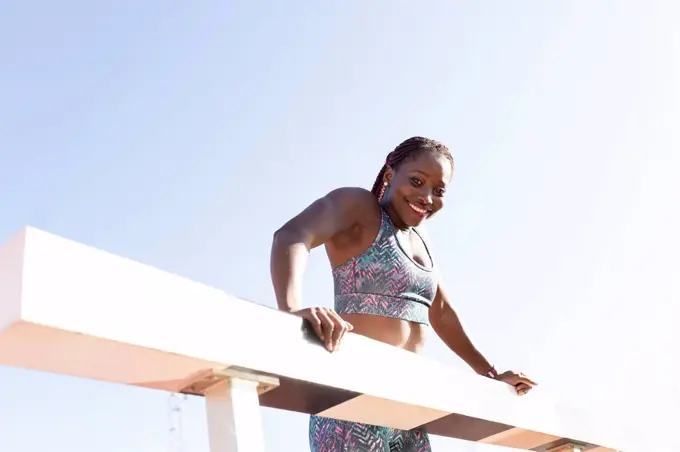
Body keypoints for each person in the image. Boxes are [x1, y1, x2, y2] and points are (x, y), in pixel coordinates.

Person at [270, 136, 537, 452]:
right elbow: (292, 236)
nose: (427, 197)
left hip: (408, 410)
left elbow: (441, 313)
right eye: (417, 181)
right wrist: (290, 312)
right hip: (352, 401)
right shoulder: (358, 207)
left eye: (439, 191)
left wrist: (490, 375)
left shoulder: (421, 241)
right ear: (388, 175)